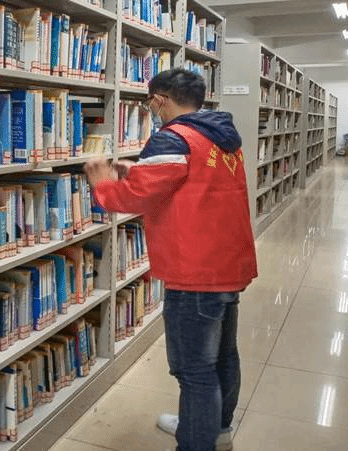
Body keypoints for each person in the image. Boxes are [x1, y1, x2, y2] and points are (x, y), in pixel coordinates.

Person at [84, 68, 258, 451]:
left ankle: (196, 442)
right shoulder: (221, 137)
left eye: (150, 103)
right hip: (227, 265)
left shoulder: (171, 138)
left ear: (160, 100)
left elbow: (134, 199)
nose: (152, 109)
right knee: (224, 356)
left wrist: (102, 185)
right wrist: (139, 171)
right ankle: (217, 429)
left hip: (193, 271)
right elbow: (191, 181)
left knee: (194, 370)